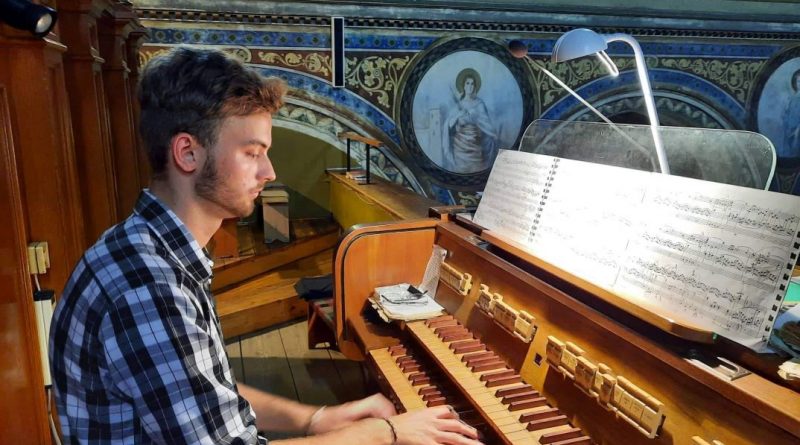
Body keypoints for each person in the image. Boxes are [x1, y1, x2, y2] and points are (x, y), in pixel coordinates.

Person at [49, 46, 482, 445]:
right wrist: (385, 432)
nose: (269, 172)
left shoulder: (146, 248)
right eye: (252, 153)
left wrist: (316, 419)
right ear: (188, 153)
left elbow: (208, 391)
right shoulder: (148, 286)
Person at [441, 68, 497, 173]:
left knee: (477, 169)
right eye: (467, 83)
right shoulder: (458, 105)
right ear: (463, 86)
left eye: (472, 84)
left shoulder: (479, 104)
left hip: (475, 146)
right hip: (460, 147)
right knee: (460, 171)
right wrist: (459, 115)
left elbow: (487, 125)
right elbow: (449, 125)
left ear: (475, 87)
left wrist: (475, 117)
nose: (470, 86)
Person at [783, 68, 800, 159]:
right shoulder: (791, 99)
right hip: (790, 129)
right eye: (799, 81)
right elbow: (787, 114)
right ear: (795, 83)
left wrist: (798, 129)